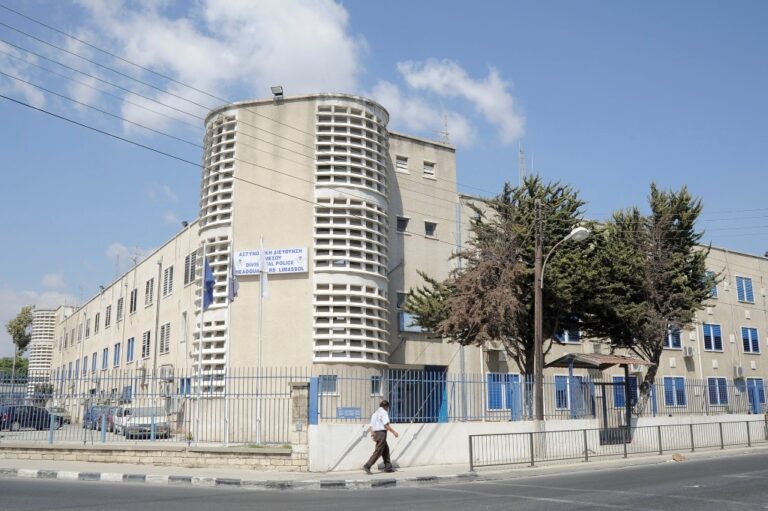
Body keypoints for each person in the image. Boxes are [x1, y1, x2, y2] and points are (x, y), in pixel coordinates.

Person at [363, 399, 399, 474]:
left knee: (386, 450)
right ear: (386, 406)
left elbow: (371, 425)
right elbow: (386, 425)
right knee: (378, 451)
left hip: (376, 433)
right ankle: (367, 465)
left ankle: (388, 467)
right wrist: (394, 432)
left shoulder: (375, 413)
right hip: (381, 433)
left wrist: (372, 433)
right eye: (388, 407)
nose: (388, 409)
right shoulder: (384, 412)